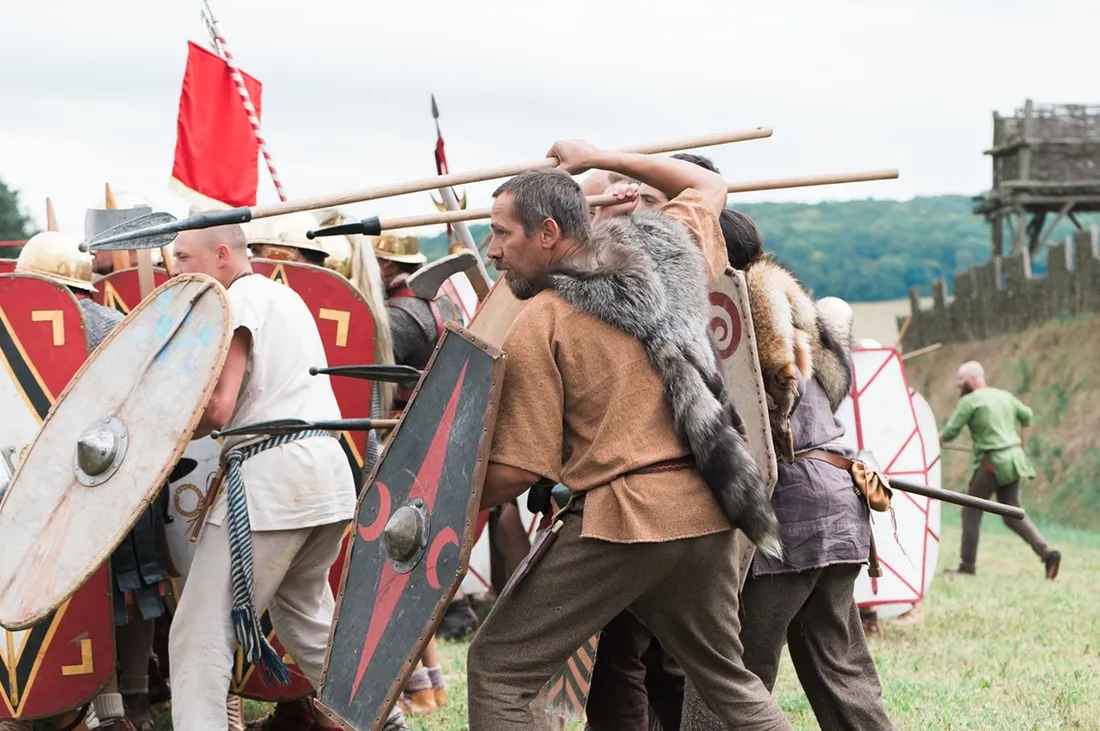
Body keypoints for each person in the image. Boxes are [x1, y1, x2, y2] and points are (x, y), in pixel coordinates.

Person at [467, 139, 787, 731]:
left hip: (628, 517)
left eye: (501, 234)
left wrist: (437, 502)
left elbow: (518, 473)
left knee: (499, 669)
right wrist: (597, 155)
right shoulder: (670, 253)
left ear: (545, 233)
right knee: (727, 681)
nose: (492, 252)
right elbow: (707, 185)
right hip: (711, 504)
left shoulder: (540, 320)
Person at [168, 223, 355, 730]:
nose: (173, 270)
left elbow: (218, 408)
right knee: (309, 622)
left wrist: (153, 435)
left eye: (183, 257)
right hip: (325, 478)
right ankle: (384, 721)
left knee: (198, 635)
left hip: (272, 481)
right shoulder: (285, 298)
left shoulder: (239, 299)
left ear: (222, 254)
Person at [237, 212, 409, 731]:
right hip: (332, 473)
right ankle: (303, 708)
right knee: (304, 610)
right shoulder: (330, 311)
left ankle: (315, 709)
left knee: (293, 608)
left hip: (304, 472)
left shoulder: (293, 310)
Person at [5, 227, 171, 731]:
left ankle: (97, 706)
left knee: (78, 589)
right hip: (121, 478)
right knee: (132, 588)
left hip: (48, 484)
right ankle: (127, 702)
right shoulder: (122, 325)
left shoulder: (97, 327)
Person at [940, 360, 1061, 579]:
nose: (958, 384)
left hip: (992, 462)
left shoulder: (970, 401)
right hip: (1014, 460)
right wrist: (1021, 447)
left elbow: (949, 432)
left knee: (970, 508)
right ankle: (1047, 552)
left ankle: (967, 566)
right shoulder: (1004, 396)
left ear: (973, 379)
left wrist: (934, 440)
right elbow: (1028, 416)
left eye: (961, 379)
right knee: (1012, 513)